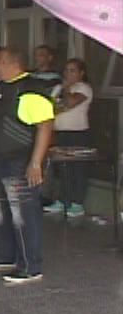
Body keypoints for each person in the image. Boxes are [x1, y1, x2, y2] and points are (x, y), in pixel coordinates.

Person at [0, 47, 54, 283]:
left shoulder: (31, 89)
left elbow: (45, 127)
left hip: (19, 161)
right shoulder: (0, 88)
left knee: (23, 215)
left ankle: (30, 265)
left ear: (11, 63)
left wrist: (36, 163)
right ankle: (5, 256)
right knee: (2, 212)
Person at [44, 58, 93, 217]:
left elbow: (71, 102)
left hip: (77, 133)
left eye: (72, 70)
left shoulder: (83, 88)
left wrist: (65, 90)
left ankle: (77, 203)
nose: (68, 74)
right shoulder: (59, 88)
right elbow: (51, 107)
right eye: (66, 70)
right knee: (62, 168)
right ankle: (62, 199)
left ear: (81, 73)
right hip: (61, 132)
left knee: (77, 168)